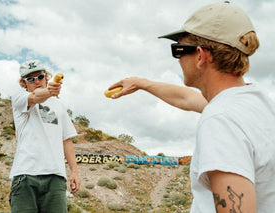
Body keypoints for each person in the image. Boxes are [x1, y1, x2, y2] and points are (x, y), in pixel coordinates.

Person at [109, 2, 275, 213]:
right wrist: (141, 83)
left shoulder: (220, 119)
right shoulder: (257, 105)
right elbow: (187, 99)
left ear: (200, 55)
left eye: (178, 50)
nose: (178, 60)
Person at [9, 60, 80, 213]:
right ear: (24, 83)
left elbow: (66, 140)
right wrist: (50, 92)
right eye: (30, 79)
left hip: (55, 176)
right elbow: (35, 98)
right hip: (25, 175)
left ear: (46, 77)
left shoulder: (59, 106)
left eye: (40, 76)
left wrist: (74, 171)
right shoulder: (19, 98)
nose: (37, 81)